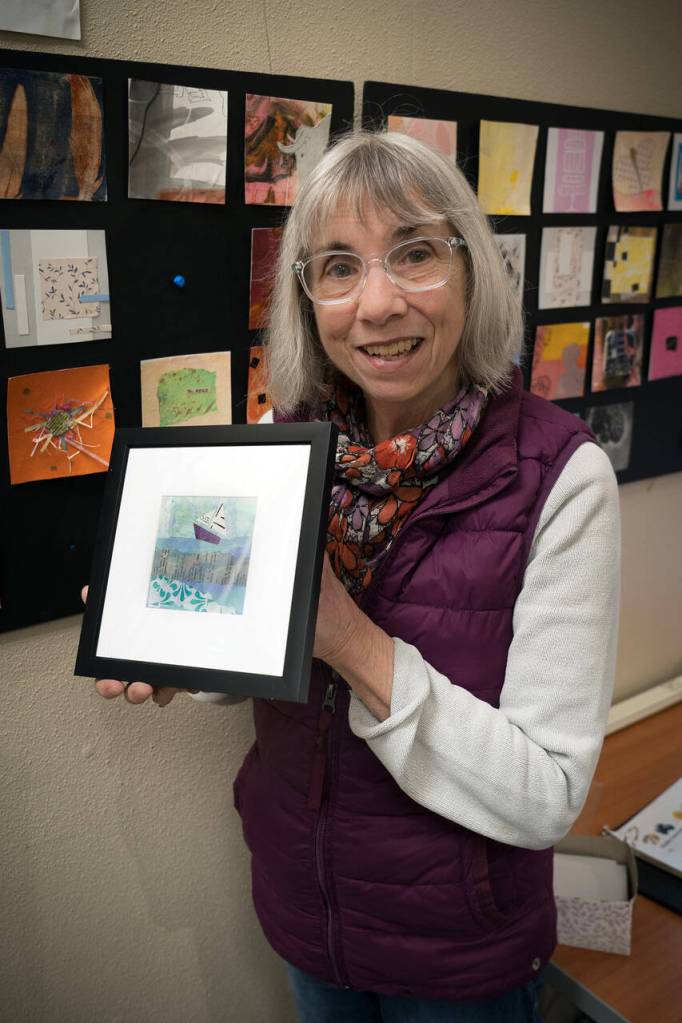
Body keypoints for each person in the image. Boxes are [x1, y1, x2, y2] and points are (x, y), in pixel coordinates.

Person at [90, 131, 620, 1022]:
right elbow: (267, 644)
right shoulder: (279, 436)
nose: (376, 303)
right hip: (310, 917)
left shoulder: (563, 479)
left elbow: (545, 797)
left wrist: (346, 634)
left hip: (464, 954)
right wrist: (179, 635)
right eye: (338, 266)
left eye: (414, 253)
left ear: (472, 272)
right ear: (307, 296)